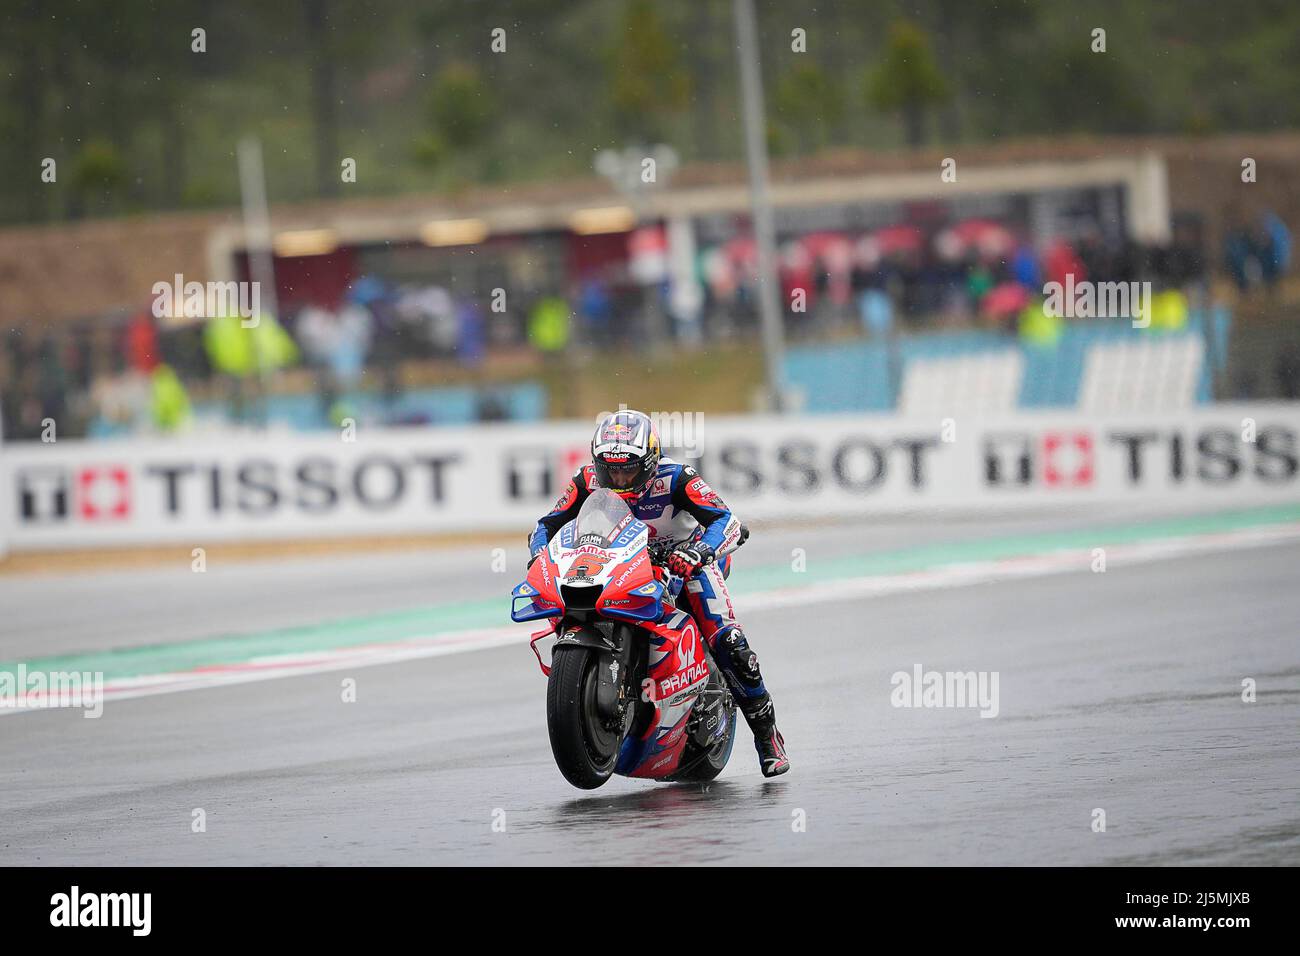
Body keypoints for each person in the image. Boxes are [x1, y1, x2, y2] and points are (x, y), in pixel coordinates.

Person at [527, 409, 790, 777]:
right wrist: (540, 553)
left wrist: (697, 552)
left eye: (628, 469)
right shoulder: (586, 480)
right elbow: (547, 525)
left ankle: (767, 736)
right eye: (610, 468)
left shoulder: (677, 478)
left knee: (728, 641)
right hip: (620, 563)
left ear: (650, 462)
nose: (617, 477)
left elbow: (727, 521)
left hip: (682, 563)